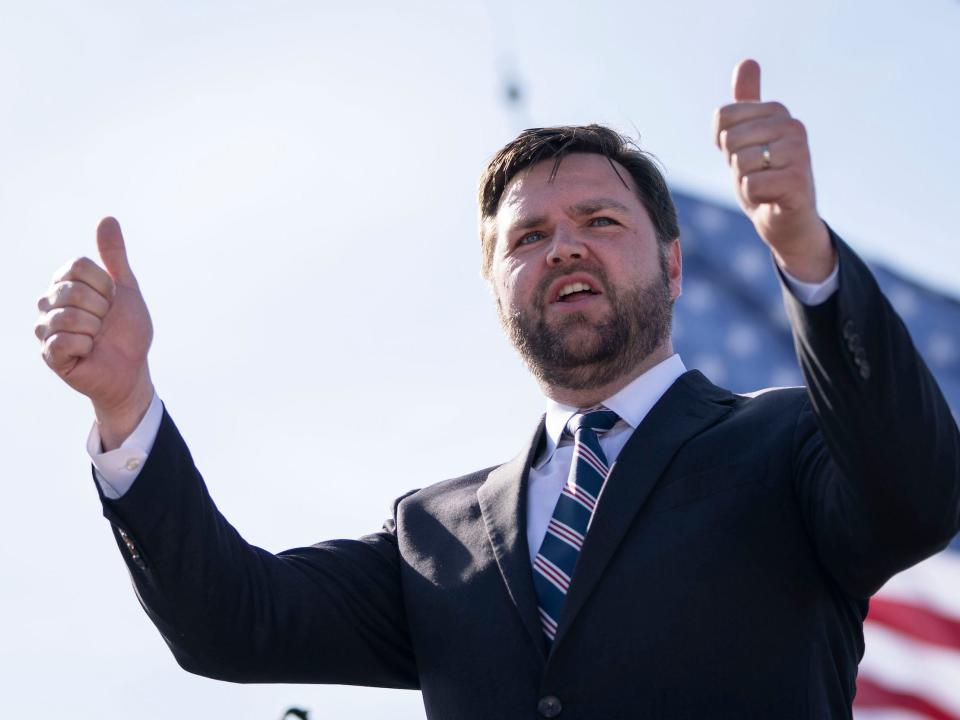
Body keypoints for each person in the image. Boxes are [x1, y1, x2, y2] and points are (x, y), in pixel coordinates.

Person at [35, 59, 960, 719]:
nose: (564, 246)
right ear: (496, 289)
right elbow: (232, 624)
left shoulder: (788, 443)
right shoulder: (434, 533)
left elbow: (918, 498)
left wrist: (804, 250)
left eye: (601, 220)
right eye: (527, 237)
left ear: (673, 267)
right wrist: (125, 408)